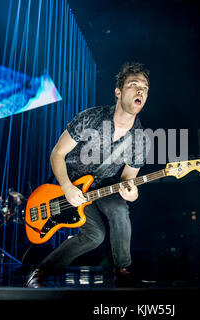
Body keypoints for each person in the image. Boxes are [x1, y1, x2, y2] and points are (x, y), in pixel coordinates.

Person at [24, 62, 151, 288]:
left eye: (145, 87)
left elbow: (128, 180)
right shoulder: (90, 118)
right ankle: (40, 271)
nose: (141, 90)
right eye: (134, 85)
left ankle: (122, 271)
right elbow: (57, 153)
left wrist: (131, 193)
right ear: (118, 92)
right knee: (94, 236)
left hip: (104, 188)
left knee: (120, 208)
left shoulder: (141, 139)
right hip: (71, 185)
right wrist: (67, 187)